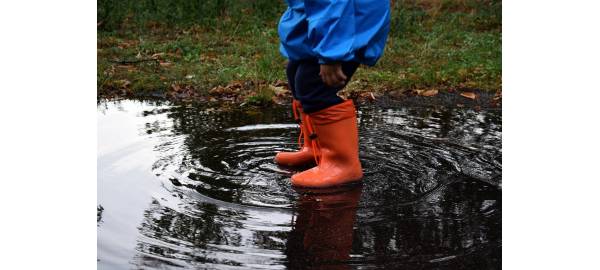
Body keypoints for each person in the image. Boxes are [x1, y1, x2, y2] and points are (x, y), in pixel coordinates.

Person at [274, 0, 390, 188]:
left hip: (346, 27)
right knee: (295, 72)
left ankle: (342, 165)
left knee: (313, 87)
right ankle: (316, 148)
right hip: (326, 22)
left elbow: (332, 4)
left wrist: (331, 54)